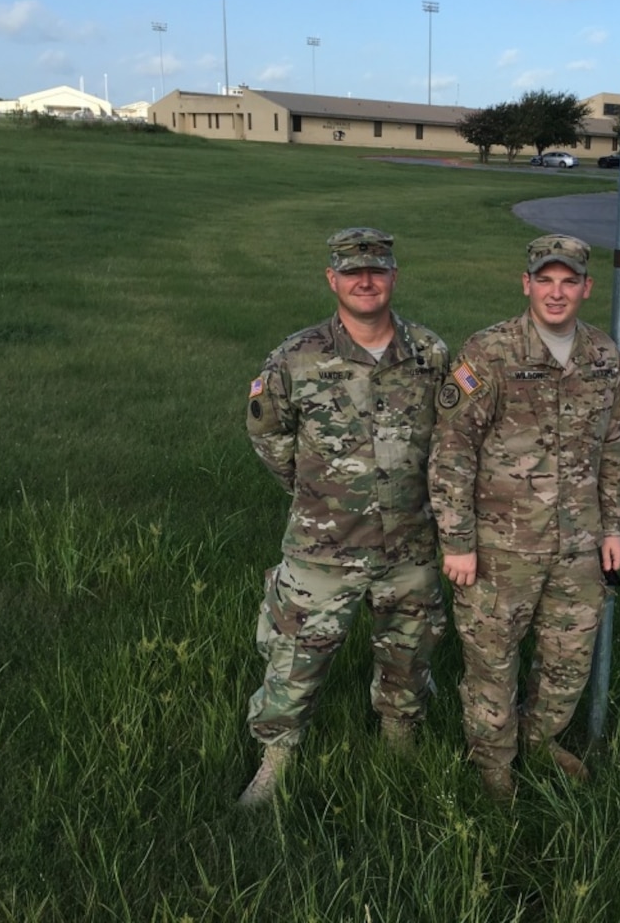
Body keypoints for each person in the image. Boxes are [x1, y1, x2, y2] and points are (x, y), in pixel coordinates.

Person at [239, 227, 449, 807]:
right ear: (332, 279)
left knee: (410, 651)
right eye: (352, 271)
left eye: (376, 270)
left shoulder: (430, 354)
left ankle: (399, 741)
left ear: (393, 277)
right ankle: (276, 759)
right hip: (322, 547)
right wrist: (319, 492)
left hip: (410, 544)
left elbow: (453, 444)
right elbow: (267, 433)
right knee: (294, 657)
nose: (365, 280)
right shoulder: (297, 357)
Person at [428, 233, 620, 799]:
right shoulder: (490, 354)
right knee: (492, 663)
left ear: (587, 288)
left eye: (569, 281)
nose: (557, 292)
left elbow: (613, 445)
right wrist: (457, 540)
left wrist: (613, 528)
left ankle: (541, 740)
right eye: (546, 279)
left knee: (568, 658)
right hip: (499, 548)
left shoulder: (603, 357)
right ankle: (494, 764)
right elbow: (452, 450)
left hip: (579, 546)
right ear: (527, 284)